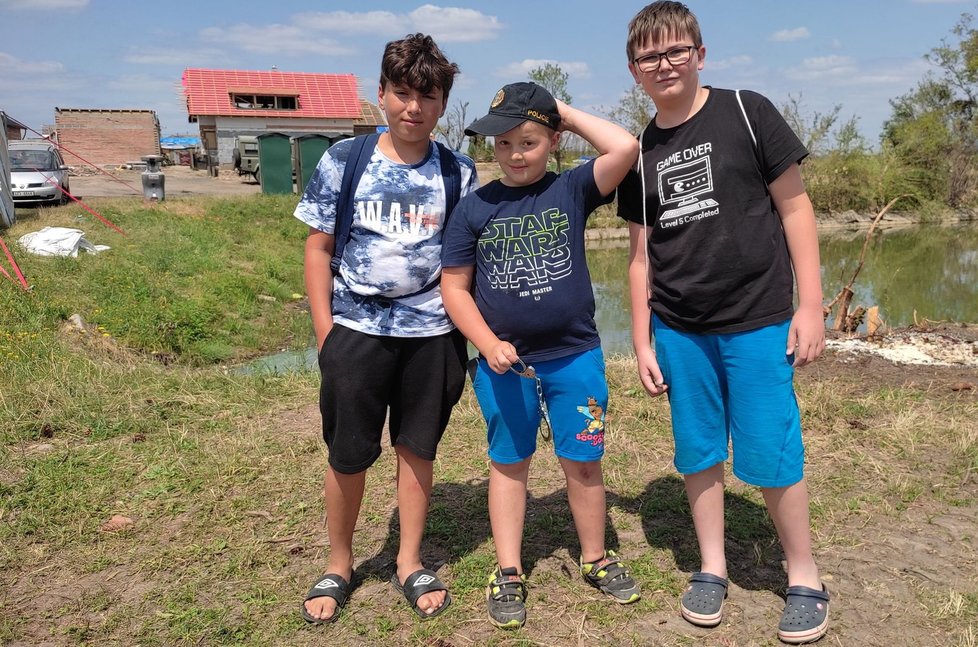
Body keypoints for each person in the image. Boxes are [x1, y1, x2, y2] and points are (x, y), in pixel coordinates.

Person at [617, 2, 829, 644]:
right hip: (681, 328)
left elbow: (795, 209)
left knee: (771, 449)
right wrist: (641, 335)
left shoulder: (747, 110)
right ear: (635, 71)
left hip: (759, 319)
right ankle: (712, 567)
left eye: (676, 50)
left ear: (700, 53)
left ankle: (804, 575)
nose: (665, 64)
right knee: (699, 451)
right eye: (650, 56)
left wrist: (811, 303)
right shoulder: (638, 152)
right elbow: (638, 254)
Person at [441, 82, 641, 630]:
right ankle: (508, 569)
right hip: (504, 364)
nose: (514, 154)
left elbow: (624, 148)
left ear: (552, 141)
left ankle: (596, 557)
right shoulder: (473, 208)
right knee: (510, 462)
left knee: (583, 459)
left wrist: (565, 114)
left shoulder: (574, 188)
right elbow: (454, 288)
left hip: (574, 357)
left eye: (527, 141)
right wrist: (486, 343)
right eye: (501, 144)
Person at [294, 33, 477, 625]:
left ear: (443, 103)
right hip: (356, 329)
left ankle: (408, 560)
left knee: (417, 449)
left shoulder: (460, 172)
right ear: (381, 94)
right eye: (401, 94)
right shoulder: (343, 161)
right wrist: (327, 332)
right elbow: (318, 249)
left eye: (426, 96)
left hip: (433, 335)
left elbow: (468, 262)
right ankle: (340, 562)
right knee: (348, 452)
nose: (412, 108)